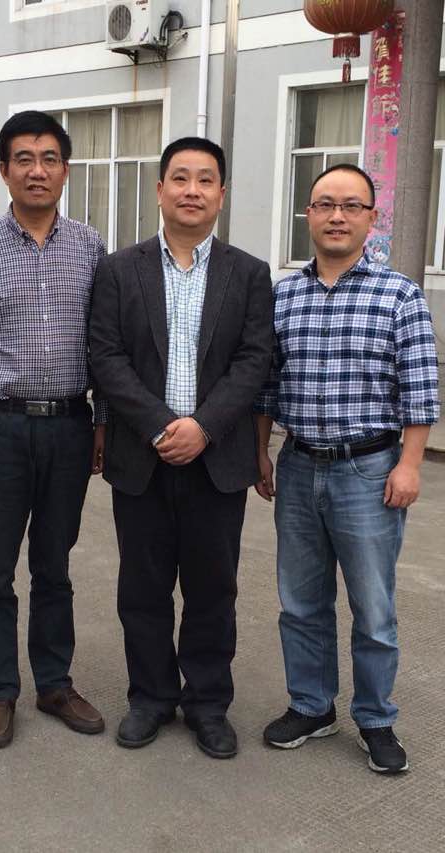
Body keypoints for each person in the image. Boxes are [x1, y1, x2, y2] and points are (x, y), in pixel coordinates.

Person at [90, 137, 273, 759]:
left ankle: (208, 703)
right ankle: (150, 697)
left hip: (216, 460)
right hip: (143, 457)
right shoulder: (120, 269)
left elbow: (254, 360)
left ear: (221, 194)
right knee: (142, 589)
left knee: (213, 589)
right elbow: (106, 357)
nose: (192, 190)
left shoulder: (248, 273)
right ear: (160, 189)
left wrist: (205, 427)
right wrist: (163, 426)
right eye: (180, 178)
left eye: (205, 179)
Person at [255, 163, 440, 774]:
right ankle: (312, 706)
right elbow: (267, 385)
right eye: (325, 204)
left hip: (370, 471)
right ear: (308, 214)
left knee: (373, 608)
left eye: (351, 206)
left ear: (370, 217)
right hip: (299, 465)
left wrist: (409, 465)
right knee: (300, 602)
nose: (337, 216)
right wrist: (261, 451)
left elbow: (420, 390)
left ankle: (376, 717)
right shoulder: (283, 296)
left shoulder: (399, 295)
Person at [0, 111, 105, 749]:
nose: (38, 171)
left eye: (49, 158)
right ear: (4, 170)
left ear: (66, 169)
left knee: (54, 564)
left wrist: (103, 424)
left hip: (69, 425)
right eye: (24, 159)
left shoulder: (91, 248)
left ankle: (55, 684)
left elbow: (105, 348)